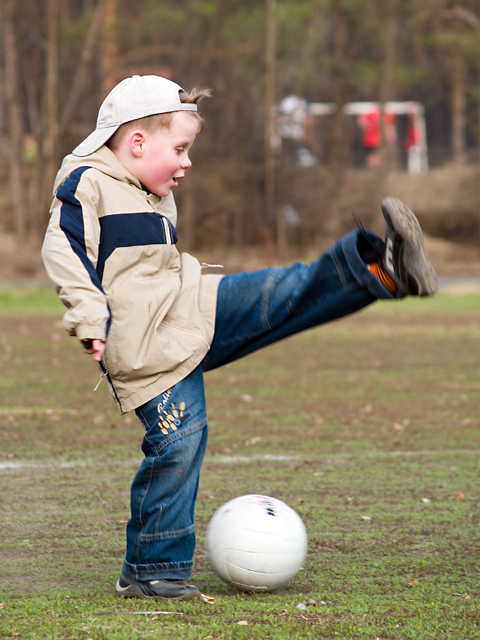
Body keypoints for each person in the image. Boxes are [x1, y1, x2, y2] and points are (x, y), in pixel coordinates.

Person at [42, 75, 438, 602]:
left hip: (191, 308)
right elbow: (66, 253)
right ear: (136, 142)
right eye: (180, 150)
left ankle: (380, 269)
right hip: (143, 349)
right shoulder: (86, 184)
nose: (186, 163)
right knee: (178, 444)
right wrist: (90, 320)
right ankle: (151, 570)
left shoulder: (148, 186)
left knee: (281, 292)